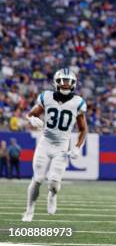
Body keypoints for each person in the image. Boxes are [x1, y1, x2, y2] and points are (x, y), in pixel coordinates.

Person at [22, 68, 88, 222]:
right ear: (56, 82)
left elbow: (83, 129)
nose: (65, 85)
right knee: (37, 179)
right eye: (63, 81)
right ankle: (29, 210)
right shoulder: (47, 97)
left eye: (68, 82)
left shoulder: (78, 102)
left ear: (74, 84)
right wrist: (31, 119)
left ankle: (52, 196)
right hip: (45, 143)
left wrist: (78, 147)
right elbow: (31, 114)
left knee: (54, 184)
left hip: (62, 146)